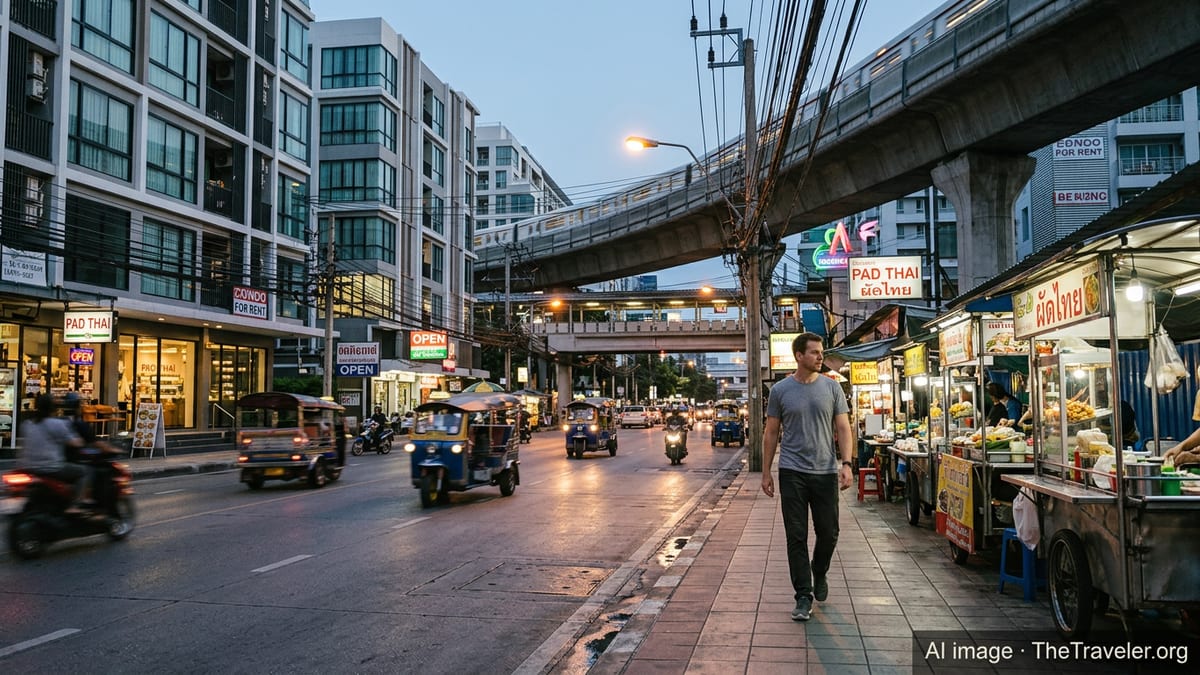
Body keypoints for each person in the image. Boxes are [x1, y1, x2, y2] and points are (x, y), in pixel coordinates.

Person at [761, 332, 853, 622]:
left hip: (825, 471)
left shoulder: (832, 388)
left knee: (829, 532)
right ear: (799, 356)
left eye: (821, 352)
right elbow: (771, 432)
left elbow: (843, 428)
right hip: (792, 472)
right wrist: (766, 471)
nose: (820, 357)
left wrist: (847, 464)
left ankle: (820, 570)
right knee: (796, 536)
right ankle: (803, 595)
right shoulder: (780, 390)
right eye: (814, 353)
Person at [17, 393, 87, 508]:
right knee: (83, 472)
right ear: (53, 408)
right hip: (51, 468)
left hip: (27, 467)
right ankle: (75, 506)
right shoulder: (57, 423)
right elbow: (75, 442)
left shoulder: (27, 424)